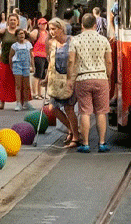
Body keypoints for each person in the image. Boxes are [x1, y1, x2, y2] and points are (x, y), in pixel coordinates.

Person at [69, 14, 112, 153]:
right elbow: (109, 61)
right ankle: (102, 143)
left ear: (82, 25)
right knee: (101, 112)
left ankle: (86, 144)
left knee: (85, 112)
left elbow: (71, 61)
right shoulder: (103, 40)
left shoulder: (75, 40)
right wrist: (108, 76)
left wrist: (70, 79)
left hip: (83, 79)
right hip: (101, 77)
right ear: (95, 25)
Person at [45, 18, 79, 148]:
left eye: (54, 29)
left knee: (69, 108)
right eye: (50, 29)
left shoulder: (72, 41)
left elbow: (76, 60)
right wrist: (46, 78)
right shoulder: (51, 43)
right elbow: (50, 63)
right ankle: (72, 129)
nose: (51, 32)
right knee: (52, 108)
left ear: (61, 29)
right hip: (55, 80)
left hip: (69, 79)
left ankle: (75, 137)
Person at [0, 15, 21, 109]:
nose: (13, 21)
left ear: (17, 21)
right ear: (8, 21)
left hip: (18, 62)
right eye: (11, 20)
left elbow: (30, 40)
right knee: (3, 82)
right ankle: (1, 103)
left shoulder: (20, 32)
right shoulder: (4, 31)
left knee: (18, 83)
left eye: (14, 20)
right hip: (5, 61)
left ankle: (20, 102)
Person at [10, 29, 33, 111]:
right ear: (16, 36)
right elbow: (11, 56)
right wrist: (11, 67)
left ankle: (26, 102)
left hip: (26, 65)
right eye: (19, 34)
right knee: (18, 85)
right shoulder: (14, 46)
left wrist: (33, 66)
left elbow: (31, 55)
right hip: (17, 65)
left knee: (26, 85)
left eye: (22, 34)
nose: (21, 35)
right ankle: (18, 103)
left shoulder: (28, 45)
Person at [30, 18, 49, 100]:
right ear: (38, 25)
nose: (44, 25)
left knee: (42, 76)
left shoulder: (47, 33)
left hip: (45, 56)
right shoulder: (36, 32)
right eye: (42, 24)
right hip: (38, 55)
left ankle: (40, 93)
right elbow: (29, 38)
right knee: (37, 74)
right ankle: (35, 93)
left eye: (45, 24)